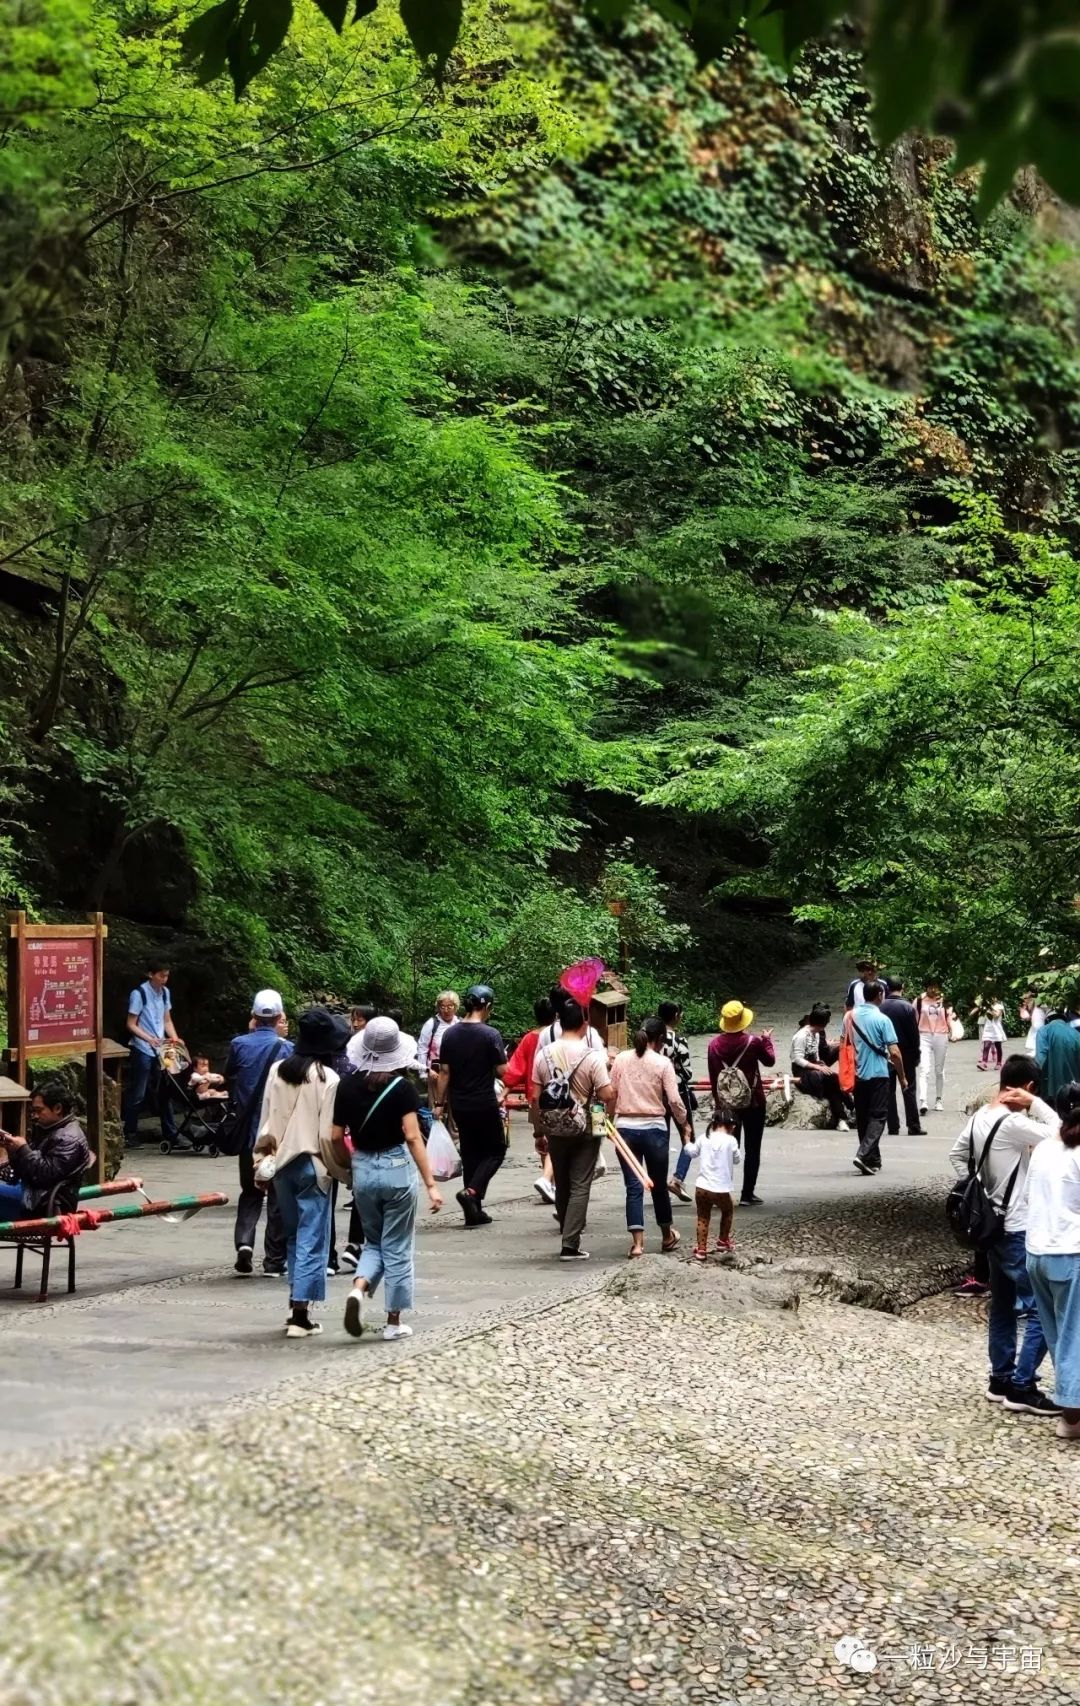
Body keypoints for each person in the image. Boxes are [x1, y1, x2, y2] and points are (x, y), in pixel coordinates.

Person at [948, 1054, 1060, 1415]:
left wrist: (986, 1191)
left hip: (990, 1227)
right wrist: (1037, 1105)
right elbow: (1061, 1134)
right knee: (1042, 1310)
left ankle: (1000, 1378)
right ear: (1026, 1088)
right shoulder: (1011, 1123)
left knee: (1002, 1307)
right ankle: (1021, 1385)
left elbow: (957, 1155)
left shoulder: (981, 1117)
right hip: (1015, 1227)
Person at [332, 1016, 443, 1340]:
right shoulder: (402, 1089)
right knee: (397, 1246)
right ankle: (394, 1322)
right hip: (396, 1168)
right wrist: (431, 1184)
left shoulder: (347, 1085)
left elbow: (336, 1134)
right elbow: (411, 1136)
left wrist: (348, 1163)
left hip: (363, 1167)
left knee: (374, 1241)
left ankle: (359, 1288)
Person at [252, 1006, 350, 1338]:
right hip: (313, 1163)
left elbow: (267, 1118)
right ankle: (300, 1311)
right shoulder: (328, 1078)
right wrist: (341, 1170)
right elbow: (327, 1133)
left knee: (293, 1234)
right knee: (313, 1237)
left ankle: (296, 1305)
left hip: (281, 1162)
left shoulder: (278, 1070)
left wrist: (260, 1161)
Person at [530, 998, 614, 1260]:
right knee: (580, 1184)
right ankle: (570, 1243)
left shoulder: (542, 1054)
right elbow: (605, 1093)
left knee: (563, 1182)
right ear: (584, 1024)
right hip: (587, 1125)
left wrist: (539, 1131)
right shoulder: (592, 1057)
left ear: (559, 1022)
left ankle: (567, 1230)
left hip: (555, 1126)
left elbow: (535, 1097)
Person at [226, 989, 293, 1276]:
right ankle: (273, 1260)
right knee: (277, 1195)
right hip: (277, 1135)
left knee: (249, 1191)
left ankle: (244, 1243)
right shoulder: (287, 1049)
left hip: (248, 1133)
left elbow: (230, 1076)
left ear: (253, 1017)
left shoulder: (239, 1044)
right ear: (279, 1017)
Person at [611, 1016, 690, 1258]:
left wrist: (609, 1122)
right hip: (655, 1128)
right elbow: (674, 1100)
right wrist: (684, 1123)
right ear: (659, 1040)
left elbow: (610, 1092)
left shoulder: (622, 1059)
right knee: (658, 1185)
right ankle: (667, 1235)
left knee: (633, 1187)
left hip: (624, 1128)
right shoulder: (663, 1063)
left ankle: (637, 1244)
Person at [1024, 1103, 1080, 1441]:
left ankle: (1070, 1405)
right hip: (1068, 1251)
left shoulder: (1045, 1147)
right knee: (1074, 1334)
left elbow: (1031, 1196)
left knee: (1058, 1334)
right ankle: (1072, 1417)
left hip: (1037, 1250)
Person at [435, 985, 508, 1227]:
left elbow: (444, 1072)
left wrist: (439, 1104)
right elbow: (501, 1071)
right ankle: (472, 1192)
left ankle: (473, 1212)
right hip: (484, 1101)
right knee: (496, 1150)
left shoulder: (450, 1034)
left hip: (460, 1104)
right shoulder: (490, 1035)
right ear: (487, 1006)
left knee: (470, 1153)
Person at [708, 1001, 774, 1206]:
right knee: (752, 1148)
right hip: (753, 1101)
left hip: (727, 1106)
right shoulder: (753, 1042)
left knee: (725, 1148)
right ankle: (747, 1193)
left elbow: (713, 1077)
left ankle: (722, 1192)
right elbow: (770, 1060)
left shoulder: (713, 1045)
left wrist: (718, 1103)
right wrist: (767, 1040)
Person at [0, 1083, 92, 1220]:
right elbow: (28, 1169)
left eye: (39, 1110)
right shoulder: (49, 1129)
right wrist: (13, 1150)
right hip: (31, 1192)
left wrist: (23, 1150)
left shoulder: (68, 1138)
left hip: (42, 1202)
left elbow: (45, 1175)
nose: (35, 1116)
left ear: (58, 1108)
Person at [845, 980, 905, 1175]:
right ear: (880, 995)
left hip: (857, 1073)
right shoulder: (882, 1020)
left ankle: (872, 1160)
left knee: (863, 1117)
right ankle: (862, 1154)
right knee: (878, 1116)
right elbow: (895, 1052)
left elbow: (844, 1044)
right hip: (879, 1073)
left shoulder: (849, 1016)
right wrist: (903, 1077)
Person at [123, 959, 183, 1148]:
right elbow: (131, 1023)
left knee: (167, 1089)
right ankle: (130, 1132)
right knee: (139, 1092)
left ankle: (171, 1133)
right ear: (151, 974)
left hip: (163, 1048)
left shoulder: (165, 993)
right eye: (160, 975)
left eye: (166, 975)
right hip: (143, 1047)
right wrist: (148, 1038)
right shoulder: (139, 993)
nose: (164, 979)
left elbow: (167, 1020)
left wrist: (174, 1038)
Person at [504, 997, 557, 1204]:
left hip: (535, 1096)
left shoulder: (529, 1039)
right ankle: (552, 1181)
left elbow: (516, 1069)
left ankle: (548, 1182)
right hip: (559, 1096)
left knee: (542, 1139)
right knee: (558, 1140)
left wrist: (505, 1089)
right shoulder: (559, 1035)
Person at [682, 1106, 741, 1260]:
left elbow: (692, 1152)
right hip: (720, 1189)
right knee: (727, 1211)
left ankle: (701, 1250)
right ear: (732, 1126)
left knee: (703, 1217)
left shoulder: (704, 1137)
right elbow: (737, 1159)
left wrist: (687, 1140)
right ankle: (722, 1241)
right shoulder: (731, 1141)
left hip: (702, 1187)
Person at [789, 1004, 850, 1130]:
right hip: (801, 1072)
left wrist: (819, 1063)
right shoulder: (801, 1036)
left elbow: (816, 1055)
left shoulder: (816, 1034)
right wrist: (817, 1067)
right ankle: (851, 1104)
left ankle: (841, 1118)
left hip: (812, 1069)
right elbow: (797, 1059)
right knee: (832, 1079)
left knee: (832, 1087)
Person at [659, 1001, 698, 1202]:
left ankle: (657, 1180)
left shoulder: (650, 1037)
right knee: (688, 1136)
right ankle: (678, 1178)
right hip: (677, 1093)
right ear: (675, 1015)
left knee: (661, 1138)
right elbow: (687, 1071)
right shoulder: (678, 1040)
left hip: (655, 1094)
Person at [881, 979, 924, 1137]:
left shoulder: (881, 1007)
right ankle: (913, 1126)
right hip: (905, 1051)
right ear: (903, 987)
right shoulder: (907, 1007)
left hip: (886, 1051)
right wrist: (916, 1053)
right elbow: (914, 1034)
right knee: (909, 1088)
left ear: (887, 988)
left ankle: (893, 1126)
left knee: (889, 1090)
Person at [915, 981, 951, 1115]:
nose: (933, 989)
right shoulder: (919, 1000)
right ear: (926, 987)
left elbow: (951, 1018)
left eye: (935, 986)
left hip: (941, 1035)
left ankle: (938, 1099)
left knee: (939, 1070)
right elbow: (914, 1018)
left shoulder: (945, 1000)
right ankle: (923, 1100)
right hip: (924, 1035)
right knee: (924, 1069)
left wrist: (954, 1031)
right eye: (930, 986)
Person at [1035, 1003, 1080, 1106]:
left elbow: (1040, 1060)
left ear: (1047, 1019)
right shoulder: (1076, 1033)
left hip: (1052, 1090)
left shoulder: (1043, 1031)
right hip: (1074, 1088)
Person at [416, 992, 460, 1096]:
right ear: (438, 1007)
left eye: (450, 1006)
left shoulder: (460, 1024)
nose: (446, 1010)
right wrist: (423, 1072)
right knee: (437, 1106)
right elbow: (422, 1048)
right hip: (436, 1072)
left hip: (456, 1072)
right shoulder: (431, 1024)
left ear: (455, 1007)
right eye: (442, 1006)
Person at [973, 996, 1007, 1071]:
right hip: (988, 1028)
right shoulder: (986, 1007)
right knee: (986, 1045)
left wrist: (989, 1009)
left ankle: (999, 1063)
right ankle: (984, 1063)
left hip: (996, 1029)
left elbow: (997, 1015)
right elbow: (977, 1011)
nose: (991, 999)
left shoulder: (999, 1006)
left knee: (998, 1046)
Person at [1021, 991, 1047, 1058]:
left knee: (1037, 1033)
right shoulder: (1031, 1006)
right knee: (1034, 1033)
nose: (1024, 1000)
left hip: (1039, 1024)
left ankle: (1037, 1050)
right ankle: (1036, 1050)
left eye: (1026, 998)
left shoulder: (1038, 1005)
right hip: (1035, 1024)